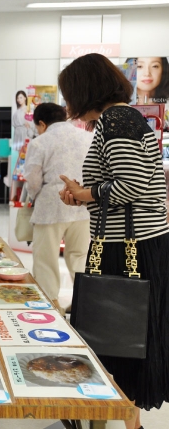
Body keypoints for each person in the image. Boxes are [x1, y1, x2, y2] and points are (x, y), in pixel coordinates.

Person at [58, 53, 169, 429]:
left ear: (84, 90)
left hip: (128, 249)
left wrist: (87, 193)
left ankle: (127, 422)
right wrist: (84, 193)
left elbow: (133, 184)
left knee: (119, 338)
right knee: (123, 340)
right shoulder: (124, 117)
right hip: (130, 243)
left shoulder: (117, 118)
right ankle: (128, 423)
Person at [23, 103, 92, 305]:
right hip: (83, 206)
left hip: (50, 208)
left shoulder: (40, 142)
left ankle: (51, 305)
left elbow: (33, 181)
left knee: (46, 260)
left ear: (42, 124)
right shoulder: (88, 137)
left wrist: (34, 197)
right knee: (80, 257)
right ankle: (85, 305)